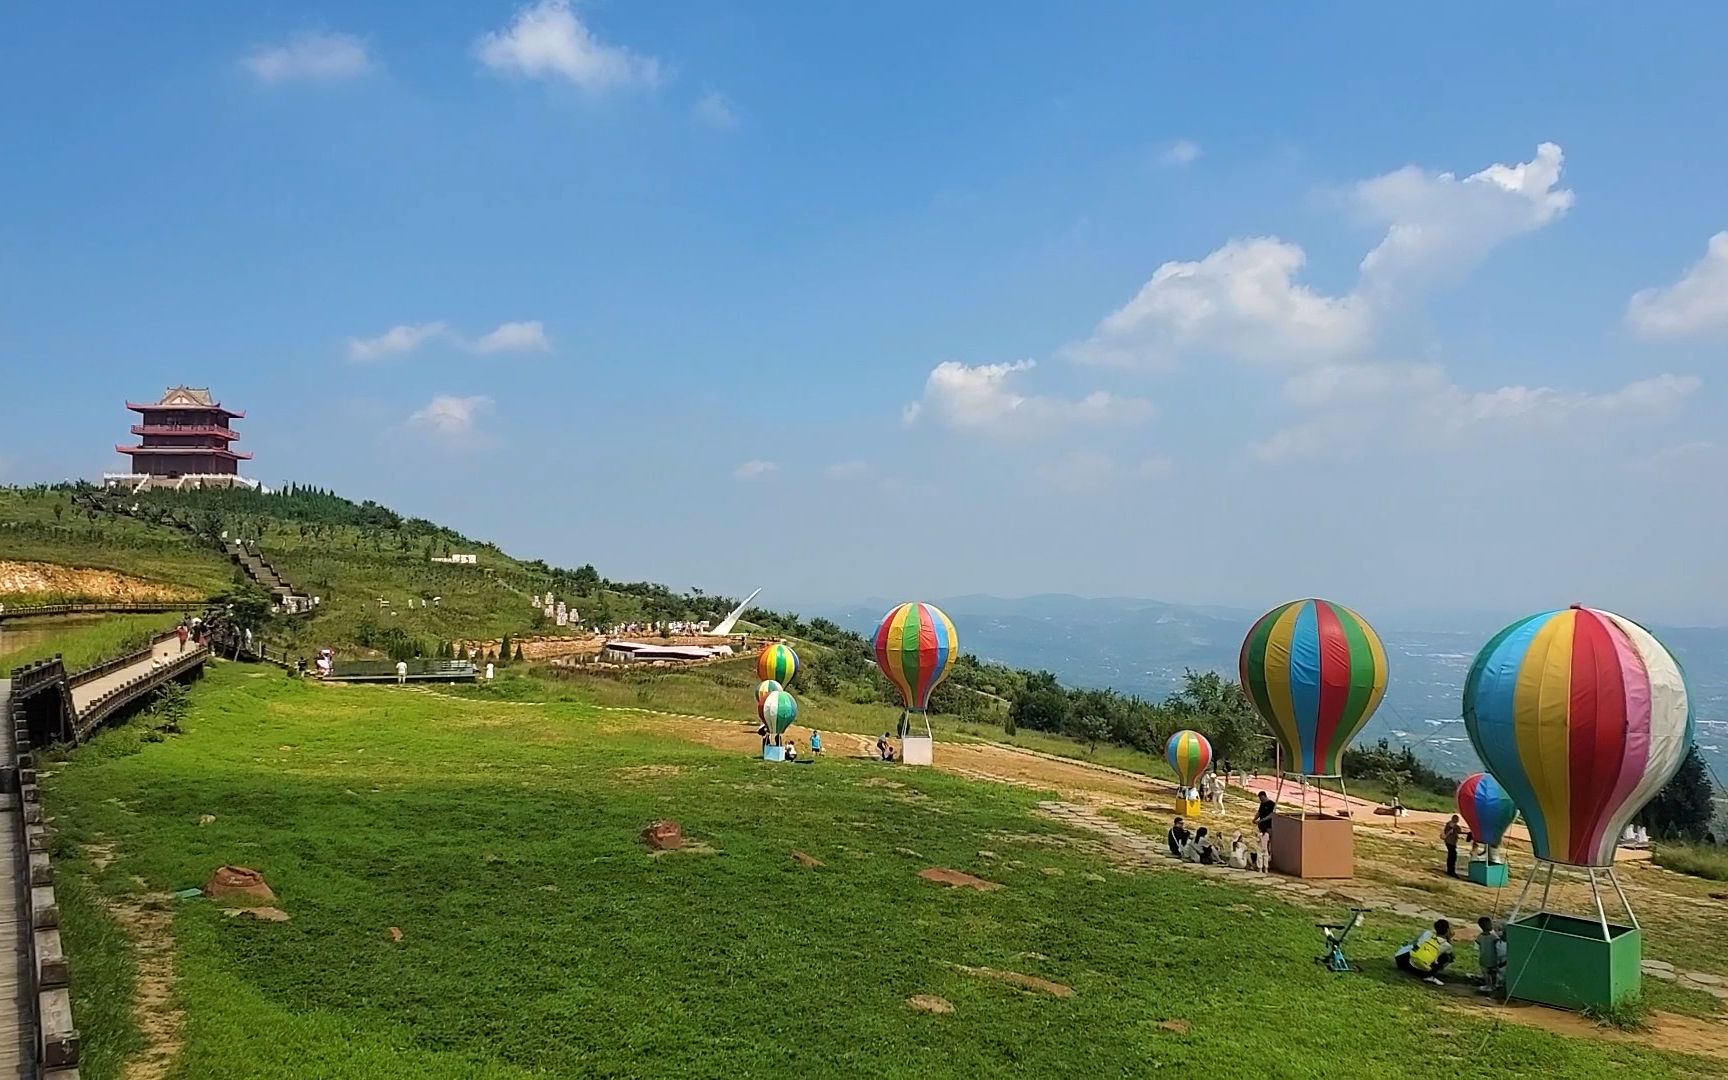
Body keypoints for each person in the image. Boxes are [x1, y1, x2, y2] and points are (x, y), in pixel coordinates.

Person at [1395, 919, 1455, 985]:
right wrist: (1449, 939)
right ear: (1447, 931)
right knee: (1448, 957)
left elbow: (1413, 943)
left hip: (1401, 959)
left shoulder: (1427, 933)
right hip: (1416, 966)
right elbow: (1444, 955)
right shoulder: (1446, 945)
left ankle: (1417, 969)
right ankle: (1428, 975)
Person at [1475, 916, 1506, 994]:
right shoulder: (1493, 937)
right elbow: (1498, 945)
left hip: (1483, 958)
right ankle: (1494, 985)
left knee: (1486, 973)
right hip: (1493, 958)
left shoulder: (1479, 937)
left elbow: (1477, 946)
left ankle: (1488, 985)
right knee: (1493, 973)